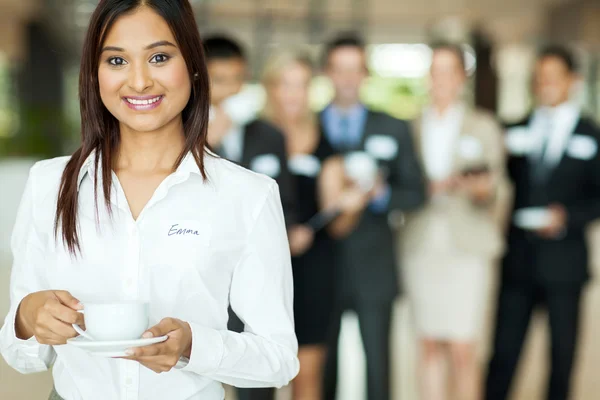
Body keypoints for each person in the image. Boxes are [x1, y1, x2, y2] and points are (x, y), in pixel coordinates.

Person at [0, 2, 299, 399]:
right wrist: (27, 317)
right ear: (95, 74)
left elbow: (279, 358)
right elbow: (21, 353)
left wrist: (194, 346)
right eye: (117, 60)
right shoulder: (50, 184)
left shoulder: (247, 194)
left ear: (193, 65)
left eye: (159, 57)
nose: (139, 82)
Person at [485, 45, 600, 400]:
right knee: (503, 354)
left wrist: (568, 217)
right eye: (540, 78)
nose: (546, 84)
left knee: (562, 356)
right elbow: (500, 183)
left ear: (574, 81)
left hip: (565, 264)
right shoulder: (514, 131)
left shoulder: (591, 134)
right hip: (518, 260)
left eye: (554, 77)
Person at [261, 49, 372, 400]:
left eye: (302, 85)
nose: (294, 94)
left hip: (314, 269)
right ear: (271, 88)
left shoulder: (326, 144)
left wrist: (351, 205)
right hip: (260, 270)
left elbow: (337, 224)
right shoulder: (251, 137)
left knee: (307, 373)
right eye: (286, 85)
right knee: (257, 375)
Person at [320, 33, 426, 400]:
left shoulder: (393, 127)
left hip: (375, 264)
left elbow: (417, 191)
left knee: (379, 368)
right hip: (323, 266)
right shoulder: (309, 127)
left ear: (365, 74)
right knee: (322, 369)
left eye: (355, 69)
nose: (348, 78)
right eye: (340, 69)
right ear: (328, 73)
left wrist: (381, 195)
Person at [401, 42, 508, 400]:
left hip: (467, 244)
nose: (441, 79)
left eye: (449, 71)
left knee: (464, 347)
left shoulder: (483, 124)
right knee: (428, 342)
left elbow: (499, 187)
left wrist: (479, 189)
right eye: (436, 71)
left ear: (462, 77)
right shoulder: (412, 126)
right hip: (421, 243)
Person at [202, 35, 297, 230]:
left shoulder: (270, 135)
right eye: (219, 81)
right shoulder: (183, 136)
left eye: (238, 79)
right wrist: (206, 141)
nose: (231, 90)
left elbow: (286, 201)